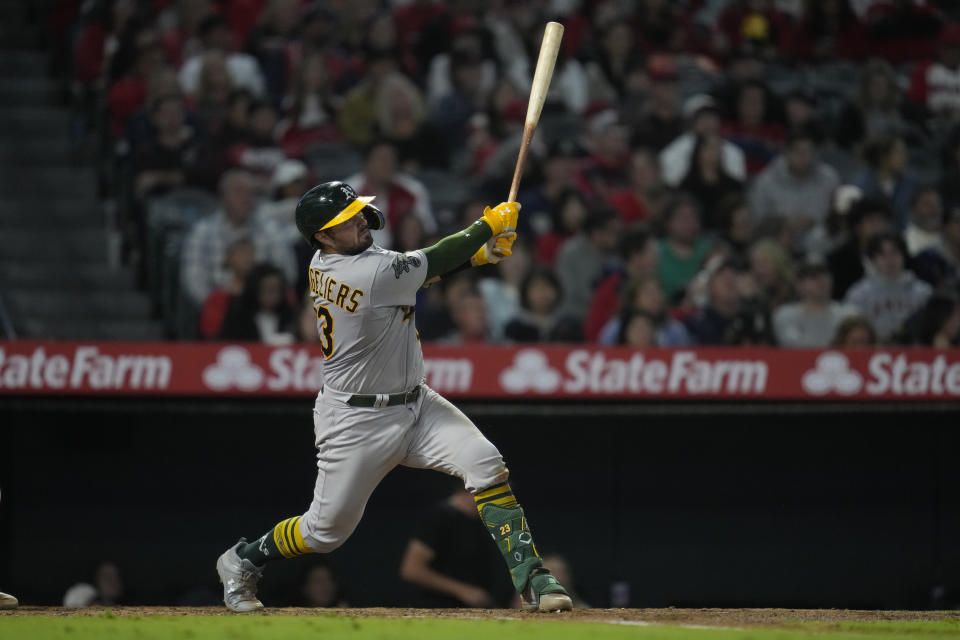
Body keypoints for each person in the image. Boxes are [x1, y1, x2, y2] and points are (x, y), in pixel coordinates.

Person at [215, 181, 573, 613]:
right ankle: (242, 560)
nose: (361, 220)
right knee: (325, 532)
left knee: (486, 462)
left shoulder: (337, 261)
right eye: (346, 221)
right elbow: (427, 261)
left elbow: (412, 272)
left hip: (416, 404)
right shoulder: (363, 272)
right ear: (323, 237)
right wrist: (485, 228)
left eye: (359, 212)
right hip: (356, 421)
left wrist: (479, 256)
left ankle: (532, 575)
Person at [180, 170, 296, 307]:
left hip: (266, 306)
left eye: (250, 193)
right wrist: (217, 305)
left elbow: (288, 272)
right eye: (238, 191)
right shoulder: (202, 232)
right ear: (223, 197)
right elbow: (193, 280)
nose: (246, 198)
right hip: (219, 310)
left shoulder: (270, 229)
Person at [399, 487, 514, 608]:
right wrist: (463, 591)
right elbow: (411, 570)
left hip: (482, 613)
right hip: (441, 611)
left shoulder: (482, 522)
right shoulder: (440, 517)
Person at [748, 128, 840, 253]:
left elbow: (838, 217)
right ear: (786, 152)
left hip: (821, 248)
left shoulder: (829, 178)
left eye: (808, 151)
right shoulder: (765, 182)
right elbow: (757, 221)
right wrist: (783, 223)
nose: (804, 157)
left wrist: (815, 221)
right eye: (798, 152)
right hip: (778, 248)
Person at [844, 231, 933, 341]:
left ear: (904, 255)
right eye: (882, 255)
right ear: (872, 260)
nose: (890, 260)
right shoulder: (858, 294)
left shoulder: (923, 292)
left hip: (916, 353)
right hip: (873, 352)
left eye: (894, 252)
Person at [773, 260, 858, 347]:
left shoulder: (849, 315)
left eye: (824, 274)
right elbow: (792, 347)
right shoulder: (785, 315)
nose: (820, 280)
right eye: (813, 277)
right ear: (799, 285)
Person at [218, 263, 297, 345]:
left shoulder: (289, 317)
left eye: (274, 289)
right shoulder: (238, 316)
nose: (270, 295)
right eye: (265, 289)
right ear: (255, 289)